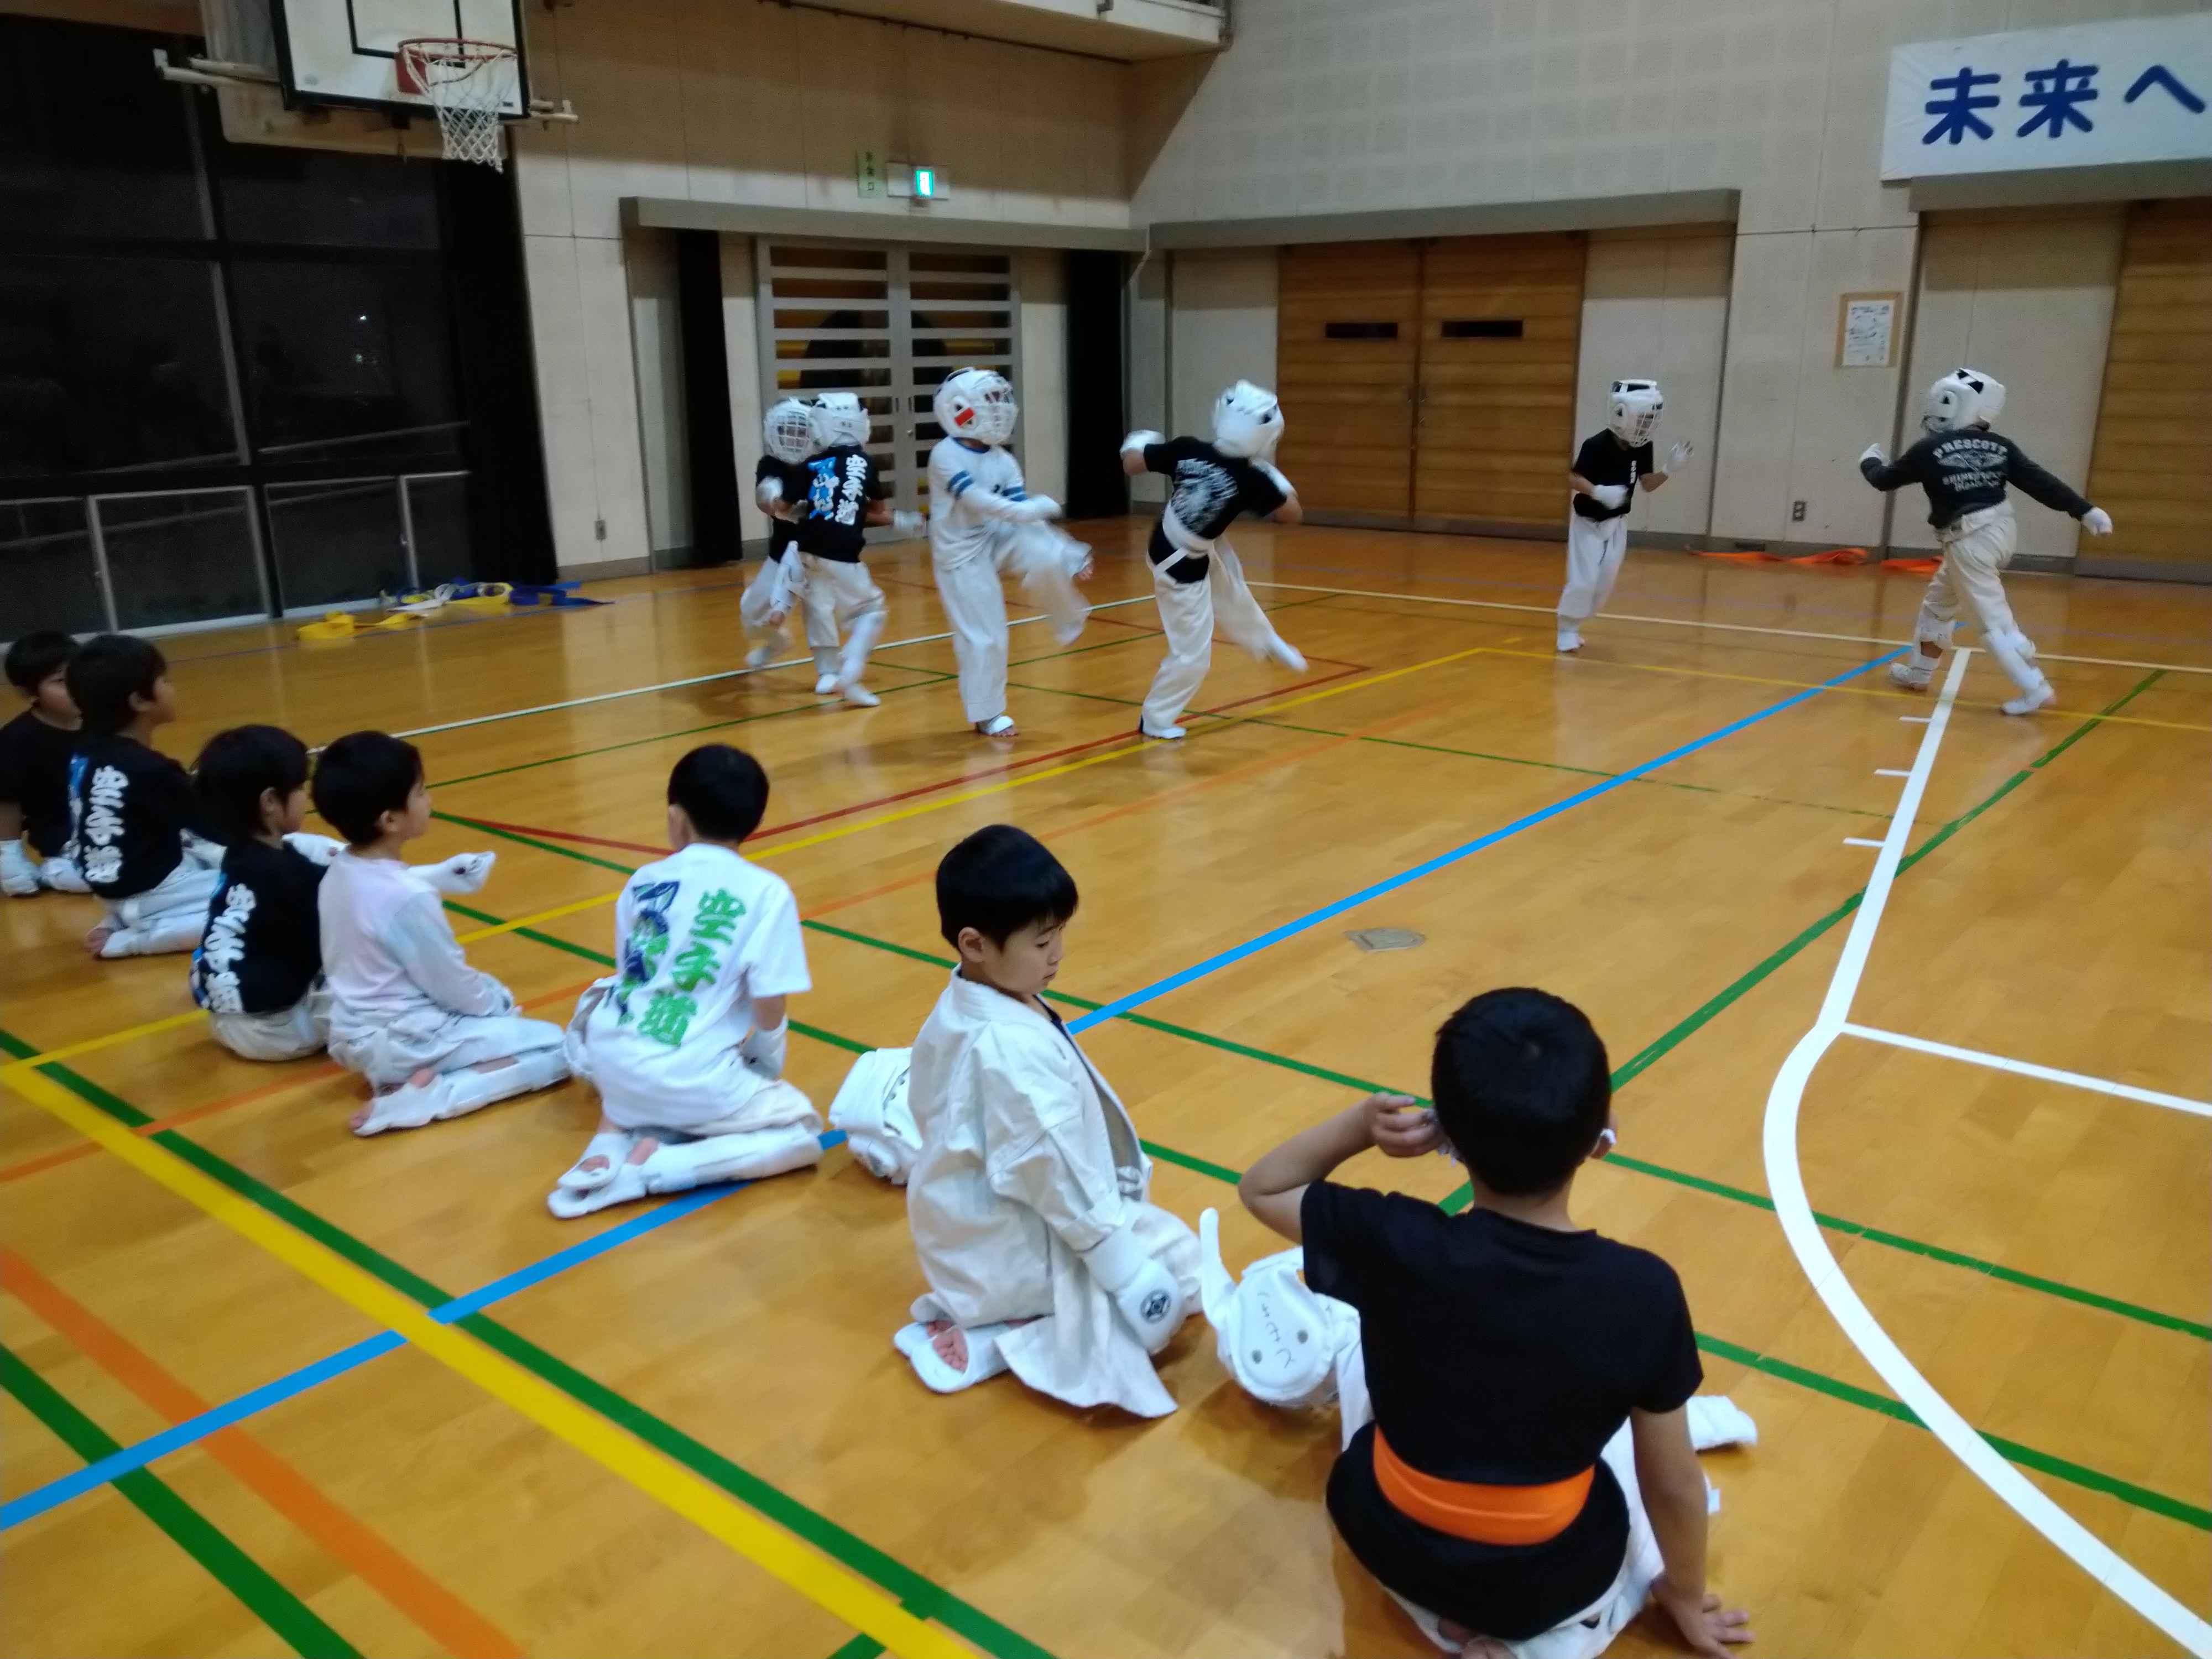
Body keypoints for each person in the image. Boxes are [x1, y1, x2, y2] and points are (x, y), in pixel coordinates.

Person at [1238, 988, 1752, 1659]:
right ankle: (1520, 1642)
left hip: (1383, 1530)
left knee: (1358, 1353)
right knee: (1619, 1473)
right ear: (1600, 1138)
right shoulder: (1641, 1291)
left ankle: (1444, 1617)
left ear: (1443, 1136)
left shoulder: (1393, 1239)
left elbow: (1262, 1188)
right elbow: (1674, 1482)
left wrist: (1362, 1126)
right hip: (1538, 1586)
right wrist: (1682, 1596)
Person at [895, 825, 1198, 1416]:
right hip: (1008, 1252)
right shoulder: (1006, 1046)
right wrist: (1124, 1269)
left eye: (1059, 934)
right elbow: (1050, 1168)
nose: (1057, 954)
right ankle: (1006, 1337)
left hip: (964, 1227)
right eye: (1041, 942)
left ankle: (999, 1314)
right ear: (975, 944)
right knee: (1183, 1267)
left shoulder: (965, 1000)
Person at [549, 744, 823, 1217]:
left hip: (611, 1062)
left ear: (677, 818)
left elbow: (630, 972)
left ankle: (615, 1130)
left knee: (603, 1000)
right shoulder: (767, 891)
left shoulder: (643, 880)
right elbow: (768, 999)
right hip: (689, 1080)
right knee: (800, 1132)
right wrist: (769, 1049)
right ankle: (661, 1167)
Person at [311, 731, 567, 1135]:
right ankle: (432, 1094)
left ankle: (403, 1075)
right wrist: (495, 1008)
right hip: (405, 1038)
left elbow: (379, 903)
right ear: (390, 820)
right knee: (557, 1047)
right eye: (421, 792)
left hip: (351, 1029)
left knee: (493, 1000)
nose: (429, 801)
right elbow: (449, 983)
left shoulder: (339, 871)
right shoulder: (409, 898)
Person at [189, 724, 492, 1062]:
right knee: (396, 987)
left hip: (224, 1017)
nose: (307, 797)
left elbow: (357, 885)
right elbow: (363, 903)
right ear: (271, 802)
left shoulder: (245, 857)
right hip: (277, 1031)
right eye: (300, 788)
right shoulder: (286, 875)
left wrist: (435, 876)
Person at [1861, 367, 2113, 716]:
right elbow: (2041, 482)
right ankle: (1918, 674)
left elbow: (1884, 480)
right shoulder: (2001, 446)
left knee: (1992, 621)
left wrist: (1869, 461)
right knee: (1938, 603)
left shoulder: (1930, 447)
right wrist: (2086, 511)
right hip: (1998, 530)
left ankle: (2035, 688)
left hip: (1969, 538)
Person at [1120, 382, 1308, 740]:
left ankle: (1265, 642)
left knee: (1232, 587)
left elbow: (1132, 464)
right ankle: (1156, 719)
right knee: (1193, 653)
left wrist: (1136, 441)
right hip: (1179, 565)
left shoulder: (1188, 448)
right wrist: (1277, 480)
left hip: (1177, 539)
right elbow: (1292, 515)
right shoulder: (1253, 478)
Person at [926, 367, 1092, 738]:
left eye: (1001, 400)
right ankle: (986, 714)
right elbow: (978, 500)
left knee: (1045, 550)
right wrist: (1027, 510)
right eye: (989, 401)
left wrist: (1066, 552)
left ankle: (1067, 619)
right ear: (958, 409)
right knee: (985, 636)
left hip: (995, 535)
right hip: (960, 553)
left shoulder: (1003, 459)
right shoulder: (944, 455)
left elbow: (1025, 520)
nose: (999, 409)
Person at [64, 634, 222, 958]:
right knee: (264, 897)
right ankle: (137, 938)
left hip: (110, 882)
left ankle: (123, 917)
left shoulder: (83, 752)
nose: (172, 688)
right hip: (153, 886)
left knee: (202, 853)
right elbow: (216, 828)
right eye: (165, 681)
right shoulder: (152, 769)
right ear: (140, 701)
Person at [794, 392, 909, 708]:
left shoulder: (810, 463)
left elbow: (789, 506)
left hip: (807, 549)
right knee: (871, 611)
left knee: (818, 605)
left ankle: (831, 673)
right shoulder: (866, 464)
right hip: (840, 550)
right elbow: (877, 511)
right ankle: (851, 670)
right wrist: (909, 523)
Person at [1558, 379, 1690, 655]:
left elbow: (1647, 484)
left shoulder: (1643, 446)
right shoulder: (1596, 445)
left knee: (1603, 584)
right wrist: (1598, 492)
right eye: (1643, 417)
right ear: (1623, 414)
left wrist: (1668, 470)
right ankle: (1566, 628)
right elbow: (1573, 477)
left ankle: (1577, 624)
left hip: (1618, 525)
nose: (1647, 424)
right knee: (1584, 580)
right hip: (1587, 523)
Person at [742, 397, 834, 678]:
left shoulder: (824, 464)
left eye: (801, 431)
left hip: (817, 553)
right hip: (781, 551)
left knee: (818, 610)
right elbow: (767, 495)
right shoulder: (770, 463)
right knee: (750, 611)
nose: (795, 437)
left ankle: (829, 672)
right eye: (789, 431)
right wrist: (776, 501)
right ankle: (776, 644)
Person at [0, 630, 88, 897]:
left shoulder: (103, 722)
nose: (76, 687)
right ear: (29, 692)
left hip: (114, 825)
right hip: (66, 839)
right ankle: (58, 871)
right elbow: (7, 801)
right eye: (61, 681)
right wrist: (8, 857)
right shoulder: (17, 739)